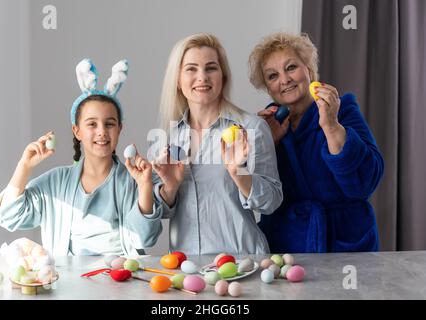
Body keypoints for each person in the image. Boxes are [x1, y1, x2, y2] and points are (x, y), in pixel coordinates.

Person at [0, 59, 163, 256]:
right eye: (92, 124)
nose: (102, 132)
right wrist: (24, 167)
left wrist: (145, 186)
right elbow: (10, 217)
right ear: (77, 130)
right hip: (69, 282)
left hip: (121, 280)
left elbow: (145, 238)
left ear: (119, 129)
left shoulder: (132, 182)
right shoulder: (55, 182)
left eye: (109, 124)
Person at [249, 32, 384, 253]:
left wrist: (331, 126)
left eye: (291, 67)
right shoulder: (269, 123)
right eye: (273, 76)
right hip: (286, 244)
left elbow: (365, 184)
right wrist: (266, 144)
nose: (284, 80)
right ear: (267, 86)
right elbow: (258, 196)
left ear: (309, 69)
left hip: (345, 244)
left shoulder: (343, 109)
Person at [152, 33, 283, 255]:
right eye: (191, 69)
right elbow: (161, 212)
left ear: (223, 76)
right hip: (187, 268)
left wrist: (238, 172)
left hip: (243, 265)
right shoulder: (168, 138)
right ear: (177, 79)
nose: (202, 77)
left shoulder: (252, 128)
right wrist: (170, 188)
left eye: (211, 68)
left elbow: (271, 202)